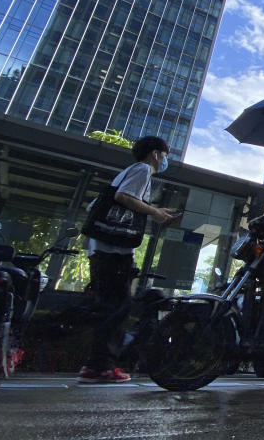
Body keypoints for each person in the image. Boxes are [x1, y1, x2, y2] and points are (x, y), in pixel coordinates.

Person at [78, 136, 178, 383]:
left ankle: (96, 365)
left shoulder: (128, 171)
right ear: (155, 154)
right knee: (118, 306)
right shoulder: (143, 169)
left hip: (102, 247)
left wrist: (154, 211)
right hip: (114, 250)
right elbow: (124, 197)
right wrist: (155, 211)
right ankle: (102, 367)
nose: (165, 160)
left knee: (109, 306)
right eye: (165, 155)